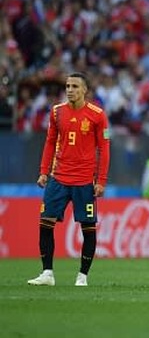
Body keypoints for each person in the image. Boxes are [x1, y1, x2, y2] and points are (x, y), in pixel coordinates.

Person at [28, 72, 111, 287]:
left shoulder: (98, 115)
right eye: (67, 86)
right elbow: (49, 142)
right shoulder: (56, 112)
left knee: (88, 228)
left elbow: (105, 147)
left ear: (85, 90)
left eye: (75, 86)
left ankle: (82, 276)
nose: (70, 90)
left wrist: (101, 180)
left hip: (85, 181)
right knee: (45, 223)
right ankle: (47, 273)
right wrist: (43, 171)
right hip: (59, 178)